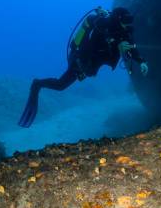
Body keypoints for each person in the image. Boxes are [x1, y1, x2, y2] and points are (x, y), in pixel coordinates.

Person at [18, 7, 148, 128]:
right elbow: (93, 44)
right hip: (80, 58)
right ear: (117, 19)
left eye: (130, 20)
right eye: (126, 20)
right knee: (60, 85)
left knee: (74, 79)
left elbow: (130, 47)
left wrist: (141, 61)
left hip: (91, 64)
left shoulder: (123, 32)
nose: (128, 24)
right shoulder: (102, 24)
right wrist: (114, 42)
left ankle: (39, 84)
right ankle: (37, 84)